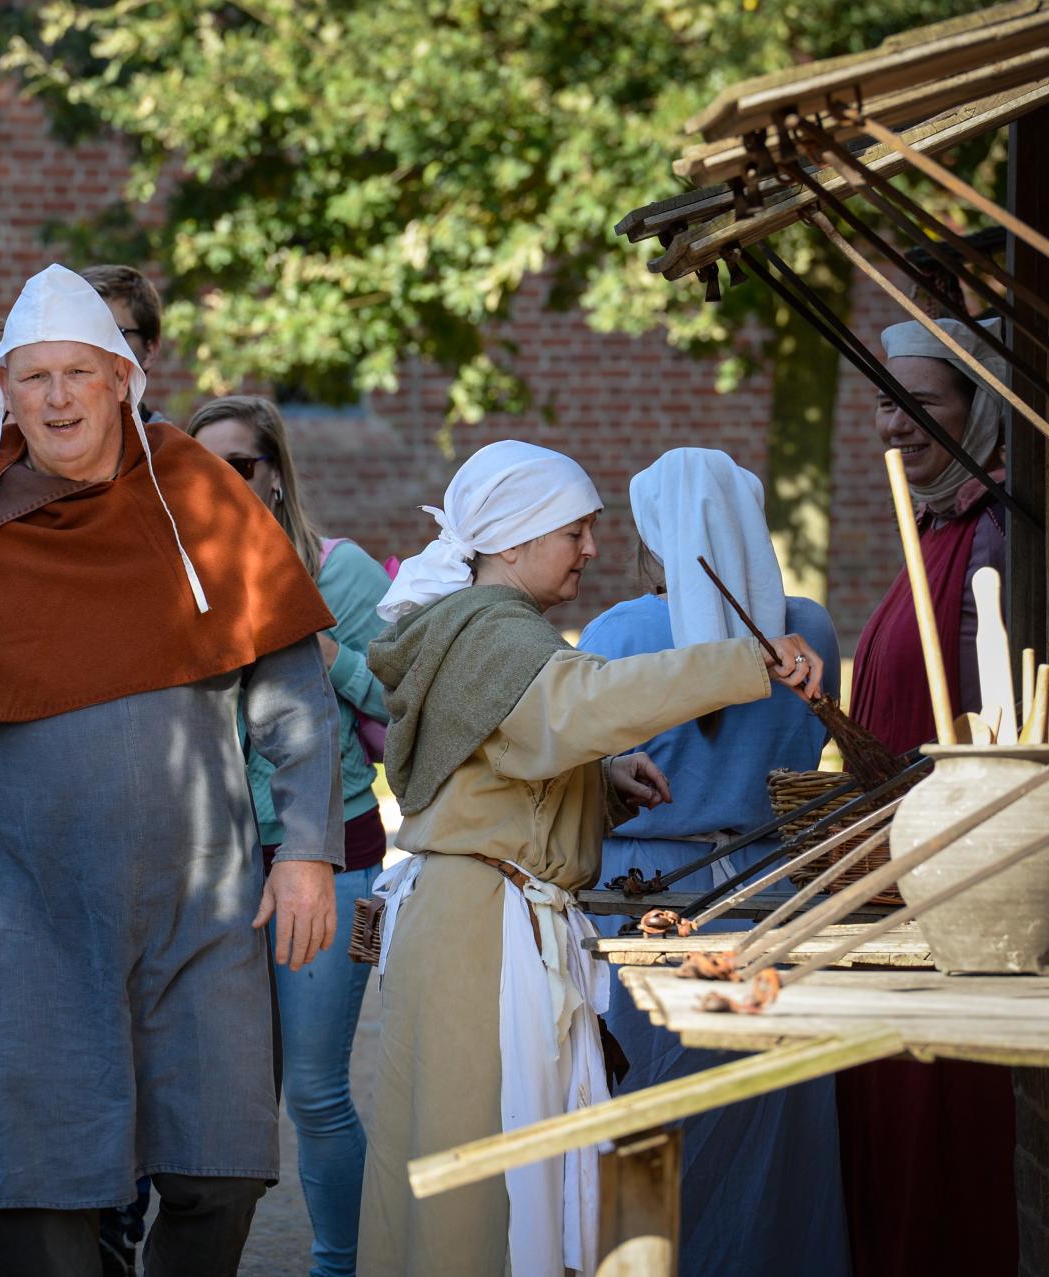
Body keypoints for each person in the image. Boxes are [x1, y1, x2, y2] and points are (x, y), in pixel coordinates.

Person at [0, 264, 344, 1277]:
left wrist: (308, 848)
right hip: (27, 912)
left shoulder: (203, 501)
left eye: (78, 373)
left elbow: (294, 692)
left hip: (201, 900)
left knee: (219, 1167)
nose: (57, 398)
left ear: (123, 379)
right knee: (36, 1195)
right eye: (34, 376)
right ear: (4, 390)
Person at [355, 439, 824, 1277]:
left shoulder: (488, 627)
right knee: (486, 1176)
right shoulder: (492, 631)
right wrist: (745, 658)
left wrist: (599, 782)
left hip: (475, 915)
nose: (593, 549)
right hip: (481, 935)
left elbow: (501, 760)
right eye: (575, 530)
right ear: (513, 538)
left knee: (494, 1165)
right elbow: (587, 701)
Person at [577, 449, 847, 1277]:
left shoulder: (621, 632)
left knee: (652, 1120)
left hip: (650, 903)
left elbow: (587, 772)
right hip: (772, 896)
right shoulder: (812, 627)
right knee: (770, 1125)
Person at [188, 395, 393, 1277]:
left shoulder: (338, 574)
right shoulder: (177, 577)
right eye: (199, 468)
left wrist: (327, 656)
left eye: (237, 465)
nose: (220, 484)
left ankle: (336, 1266)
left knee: (313, 1092)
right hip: (217, 865)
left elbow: (405, 703)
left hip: (335, 856)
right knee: (226, 1102)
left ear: (275, 473)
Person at [838, 315, 1017, 1277]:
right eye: (884, 401)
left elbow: (999, 721)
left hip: (957, 888)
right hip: (892, 882)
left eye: (922, 404)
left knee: (939, 1133)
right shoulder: (940, 523)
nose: (895, 425)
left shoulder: (996, 536)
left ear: (979, 409)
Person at [82, 264, 170, 424]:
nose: (94, 348)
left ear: (149, 350)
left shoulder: (173, 448)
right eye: (82, 334)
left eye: (113, 333)